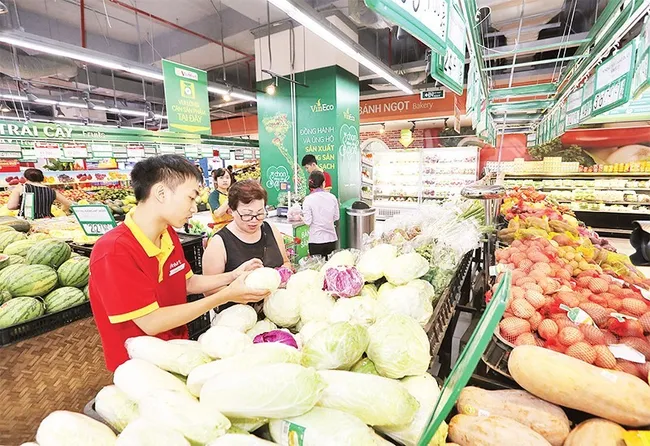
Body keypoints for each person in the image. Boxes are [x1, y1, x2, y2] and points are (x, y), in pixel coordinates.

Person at [88, 155, 267, 371]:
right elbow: (151, 322)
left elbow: (187, 283)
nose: (194, 208)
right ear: (161, 193)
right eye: (191, 198)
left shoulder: (168, 234)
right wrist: (225, 295)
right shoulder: (114, 250)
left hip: (177, 352)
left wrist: (233, 275)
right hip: (139, 367)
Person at [203, 179, 291, 277]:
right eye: (247, 214)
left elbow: (285, 262)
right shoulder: (218, 243)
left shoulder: (270, 229)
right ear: (231, 211)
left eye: (260, 213)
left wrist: (282, 275)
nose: (254, 220)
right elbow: (210, 290)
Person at [7, 168, 72, 219]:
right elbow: (68, 203)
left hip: (27, 220)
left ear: (25, 178)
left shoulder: (21, 188)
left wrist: (22, 205)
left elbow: (11, 206)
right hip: (47, 220)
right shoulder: (51, 190)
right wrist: (64, 210)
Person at [302, 171, 339, 257]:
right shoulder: (332, 197)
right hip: (331, 239)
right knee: (330, 267)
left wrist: (301, 218)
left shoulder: (308, 199)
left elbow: (308, 221)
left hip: (316, 240)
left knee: (317, 268)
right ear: (323, 183)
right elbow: (336, 217)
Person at [207, 168, 234, 232]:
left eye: (227, 178)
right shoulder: (214, 195)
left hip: (234, 228)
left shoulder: (231, 194)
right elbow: (217, 213)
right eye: (221, 178)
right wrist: (230, 199)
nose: (225, 180)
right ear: (215, 180)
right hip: (221, 230)